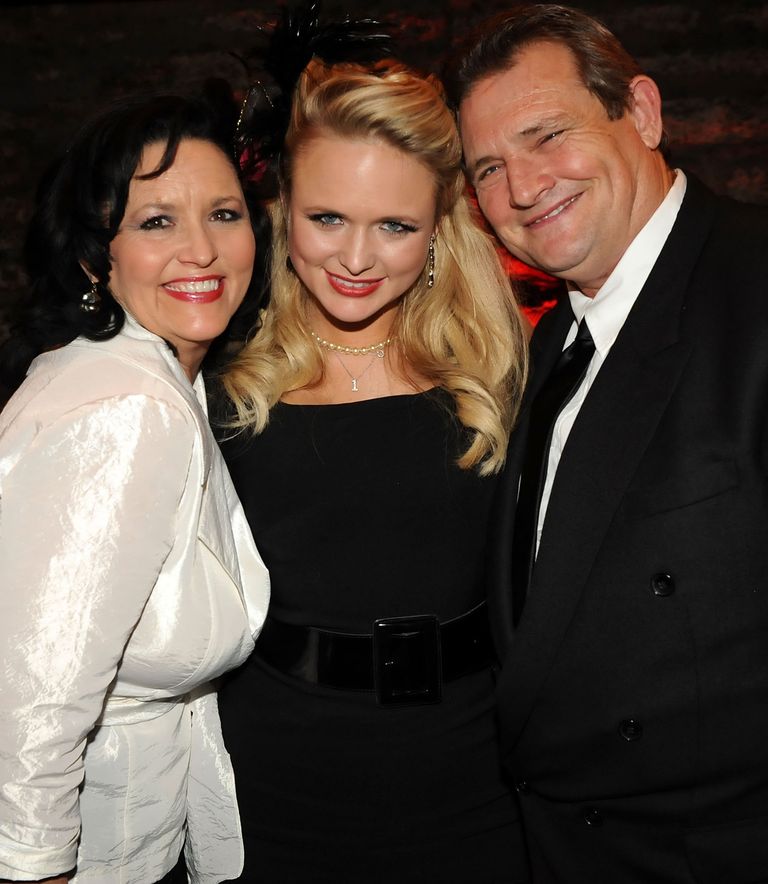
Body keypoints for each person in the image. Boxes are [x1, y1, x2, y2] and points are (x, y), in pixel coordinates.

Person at [446, 4, 768, 881]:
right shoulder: (553, 344)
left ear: (643, 113)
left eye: (548, 135)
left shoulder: (751, 282)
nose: (522, 187)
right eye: (489, 169)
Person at [214, 36, 530, 883]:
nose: (355, 260)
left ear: (437, 230)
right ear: (282, 211)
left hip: (478, 776)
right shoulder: (220, 385)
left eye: (395, 226)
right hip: (283, 783)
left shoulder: (498, 371)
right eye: (327, 219)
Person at [0, 95, 270, 883]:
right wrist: (37, 866)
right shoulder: (129, 408)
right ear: (97, 257)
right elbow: (33, 697)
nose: (202, 250)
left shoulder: (135, 371)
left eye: (224, 213)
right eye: (156, 222)